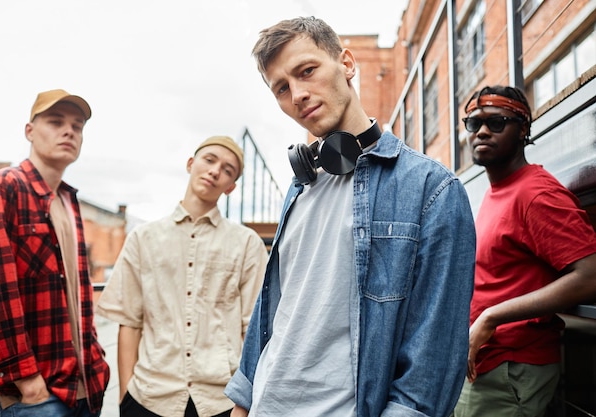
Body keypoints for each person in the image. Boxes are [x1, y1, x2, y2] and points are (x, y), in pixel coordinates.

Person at [224, 16, 476, 417]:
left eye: (307, 71)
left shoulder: (433, 190)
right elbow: (276, 309)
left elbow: (433, 361)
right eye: (282, 88)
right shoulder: (299, 187)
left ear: (346, 63)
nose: (299, 94)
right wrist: (243, 402)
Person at [95, 135, 268, 417]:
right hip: (149, 397)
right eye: (209, 160)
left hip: (220, 401)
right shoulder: (144, 238)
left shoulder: (247, 243)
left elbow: (253, 330)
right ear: (191, 163)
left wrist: (244, 404)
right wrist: (125, 397)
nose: (215, 171)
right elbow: (129, 322)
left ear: (231, 187)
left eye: (227, 170)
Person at [452, 85, 596, 416]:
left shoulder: (536, 194)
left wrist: (491, 316)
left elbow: (590, 276)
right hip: (486, 366)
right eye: (474, 124)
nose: (483, 131)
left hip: (511, 371)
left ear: (523, 131)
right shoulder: (498, 190)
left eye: (497, 122)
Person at [0, 89, 110, 417]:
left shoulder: (67, 201)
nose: (69, 131)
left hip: (83, 387)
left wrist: (96, 360)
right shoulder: (1, 187)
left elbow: (76, 294)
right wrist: (28, 382)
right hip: (34, 395)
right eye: (56, 122)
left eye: (77, 126)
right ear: (29, 131)